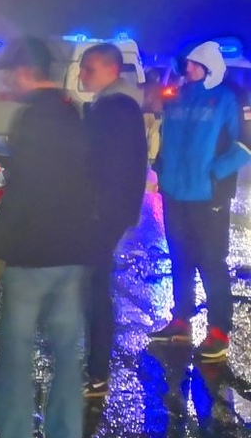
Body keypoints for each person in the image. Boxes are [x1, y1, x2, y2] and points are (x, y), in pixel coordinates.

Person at [0, 37, 95, 438]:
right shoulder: (73, 115)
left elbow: (21, 191)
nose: (10, 81)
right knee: (66, 353)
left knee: (17, 354)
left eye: (13, 73)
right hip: (72, 255)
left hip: (31, 257)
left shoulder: (30, 119)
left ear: (26, 71)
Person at [149, 40, 251, 361]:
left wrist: (214, 174)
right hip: (175, 193)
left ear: (209, 66)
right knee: (179, 257)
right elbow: (163, 138)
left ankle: (218, 331)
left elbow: (244, 144)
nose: (187, 69)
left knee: (211, 261)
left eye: (194, 64)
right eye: (186, 64)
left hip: (208, 196)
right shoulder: (178, 97)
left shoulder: (227, 98)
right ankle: (180, 320)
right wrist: (160, 170)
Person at [78, 43, 148, 397]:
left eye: (87, 69)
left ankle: (97, 372)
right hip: (106, 211)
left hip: (102, 212)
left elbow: (112, 167)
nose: (80, 75)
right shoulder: (114, 104)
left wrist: (96, 209)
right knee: (93, 286)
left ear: (110, 69)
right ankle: (95, 369)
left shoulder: (116, 108)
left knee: (95, 289)